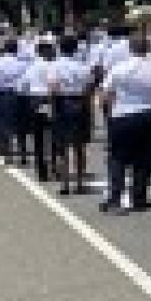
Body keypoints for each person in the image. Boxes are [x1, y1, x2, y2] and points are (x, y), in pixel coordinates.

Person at [98, 35, 151, 215]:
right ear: (149, 48)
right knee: (144, 159)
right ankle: (139, 198)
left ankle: (115, 199)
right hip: (150, 115)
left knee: (117, 159)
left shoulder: (119, 68)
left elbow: (106, 95)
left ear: (130, 48)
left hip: (123, 114)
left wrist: (108, 115)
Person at [50, 36, 95, 195]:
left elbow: (53, 87)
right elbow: (89, 86)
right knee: (79, 146)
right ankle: (80, 183)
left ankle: (65, 184)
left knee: (62, 145)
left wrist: (53, 105)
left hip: (62, 103)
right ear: (76, 48)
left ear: (60, 48)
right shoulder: (83, 66)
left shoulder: (56, 65)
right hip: (80, 102)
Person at [19, 36, 58, 181]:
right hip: (51, 99)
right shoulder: (53, 65)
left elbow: (21, 86)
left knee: (38, 137)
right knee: (54, 136)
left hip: (35, 100)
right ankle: (54, 167)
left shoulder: (32, 67)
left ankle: (42, 170)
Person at [0, 39, 32, 166]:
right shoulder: (23, 64)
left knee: (3, 125)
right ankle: (23, 154)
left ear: (4, 49)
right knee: (21, 125)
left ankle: (7, 154)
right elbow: (27, 81)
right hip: (20, 95)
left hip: (4, 95)